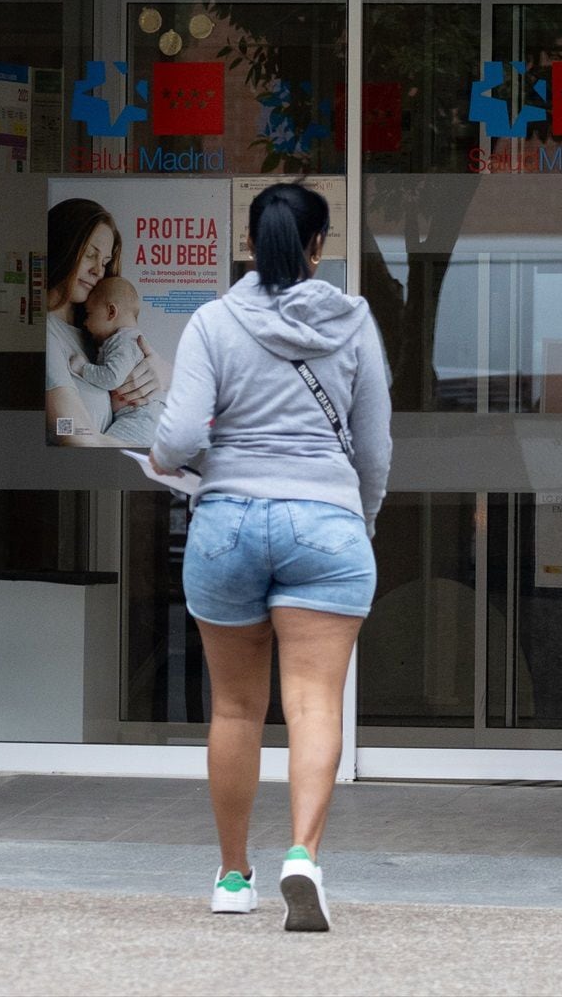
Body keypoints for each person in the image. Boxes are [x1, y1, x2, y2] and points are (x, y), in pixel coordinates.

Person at [151, 182, 392, 934]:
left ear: (251, 243)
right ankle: (302, 856)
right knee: (314, 703)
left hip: (227, 523)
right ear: (319, 246)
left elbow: (179, 435)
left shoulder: (213, 323)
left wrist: (178, 461)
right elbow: (376, 447)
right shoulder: (355, 323)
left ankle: (231, 875)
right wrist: (361, 518)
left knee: (233, 707)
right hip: (327, 523)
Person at [44, 197, 166, 446]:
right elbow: (73, 435)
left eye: (105, 262)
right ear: (61, 247)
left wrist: (160, 371)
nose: (98, 271)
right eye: (90, 255)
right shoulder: (46, 335)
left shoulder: (97, 331)